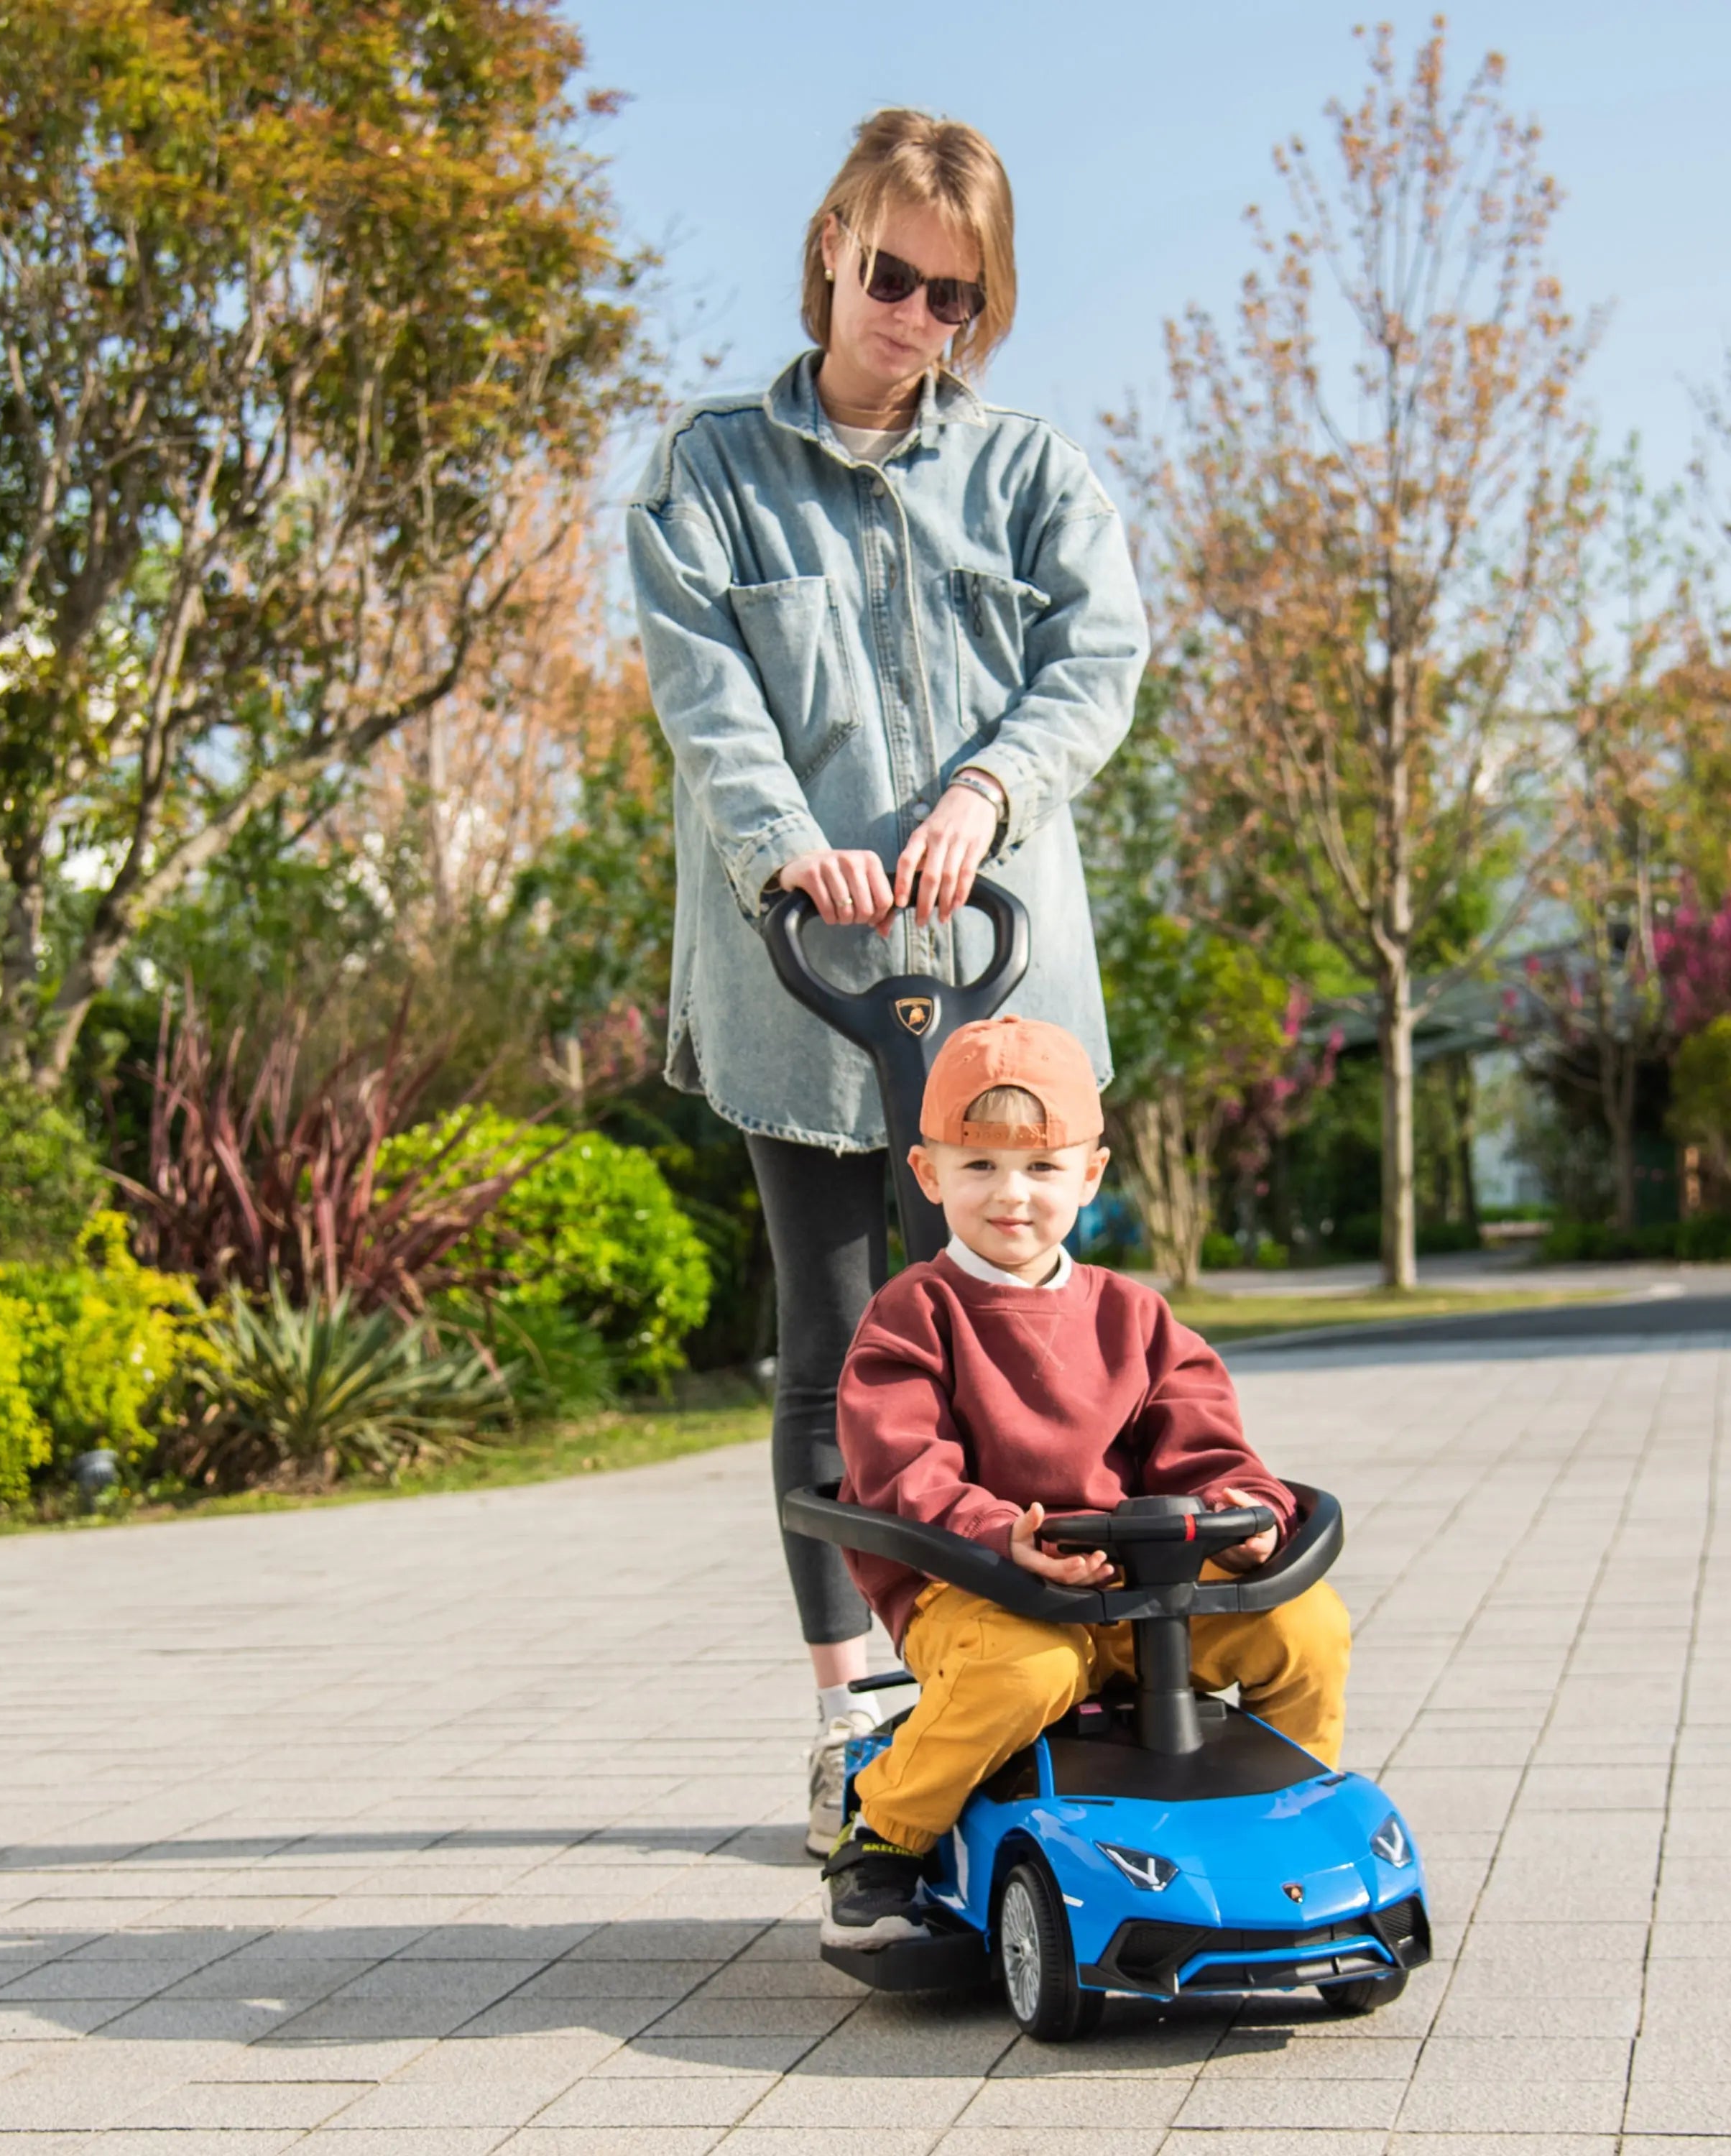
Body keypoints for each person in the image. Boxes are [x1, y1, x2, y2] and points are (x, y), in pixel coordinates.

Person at [627, 110, 1147, 1856]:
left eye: (954, 294)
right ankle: (854, 1703)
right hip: (807, 971)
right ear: (833, 242)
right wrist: (793, 843)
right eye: (892, 272)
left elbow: (1100, 659)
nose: (915, 314)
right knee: (836, 1338)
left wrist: (988, 792)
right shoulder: (708, 471)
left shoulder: (1032, 475)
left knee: (1018, 1334)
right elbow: (708, 702)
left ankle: (1017, 1660)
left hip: (996, 977)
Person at [819, 1016, 1352, 1948]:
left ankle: (1279, 1824)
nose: (1010, 1195)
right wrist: (1002, 1538)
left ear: (1092, 1175)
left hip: (1143, 1592)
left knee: (1306, 1625)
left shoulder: (1133, 1316)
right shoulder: (914, 1316)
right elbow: (903, 1470)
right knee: (1030, 1668)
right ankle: (886, 1836)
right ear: (928, 1173)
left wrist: (1248, 1512)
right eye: (978, 1167)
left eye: (1041, 1168)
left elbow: (1207, 1445)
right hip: (981, 1590)